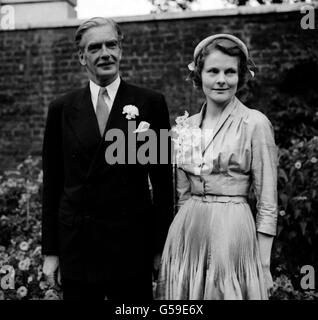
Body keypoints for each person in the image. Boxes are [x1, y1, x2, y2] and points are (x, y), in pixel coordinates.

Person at [41, 17, 174, 300]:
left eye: (111, 44)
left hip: (130, 247)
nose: (105, 53)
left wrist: (160, 247)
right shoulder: (61, 109)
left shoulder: (150, 104)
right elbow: (52, 185)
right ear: (81, 57)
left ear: (121, 50)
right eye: (95, 47)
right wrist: (51, 252)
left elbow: (162, 184)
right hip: (79, 247)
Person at [157, 34, 278, 300]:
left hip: (232, 231)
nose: (221, 79)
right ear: (199, 75)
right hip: (188, 233)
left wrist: (264, 263)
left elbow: (268, 200)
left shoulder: (254, 124)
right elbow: (182, 194)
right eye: (213, 71)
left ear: (241, 75)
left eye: (230, 71)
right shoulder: (185, 127)